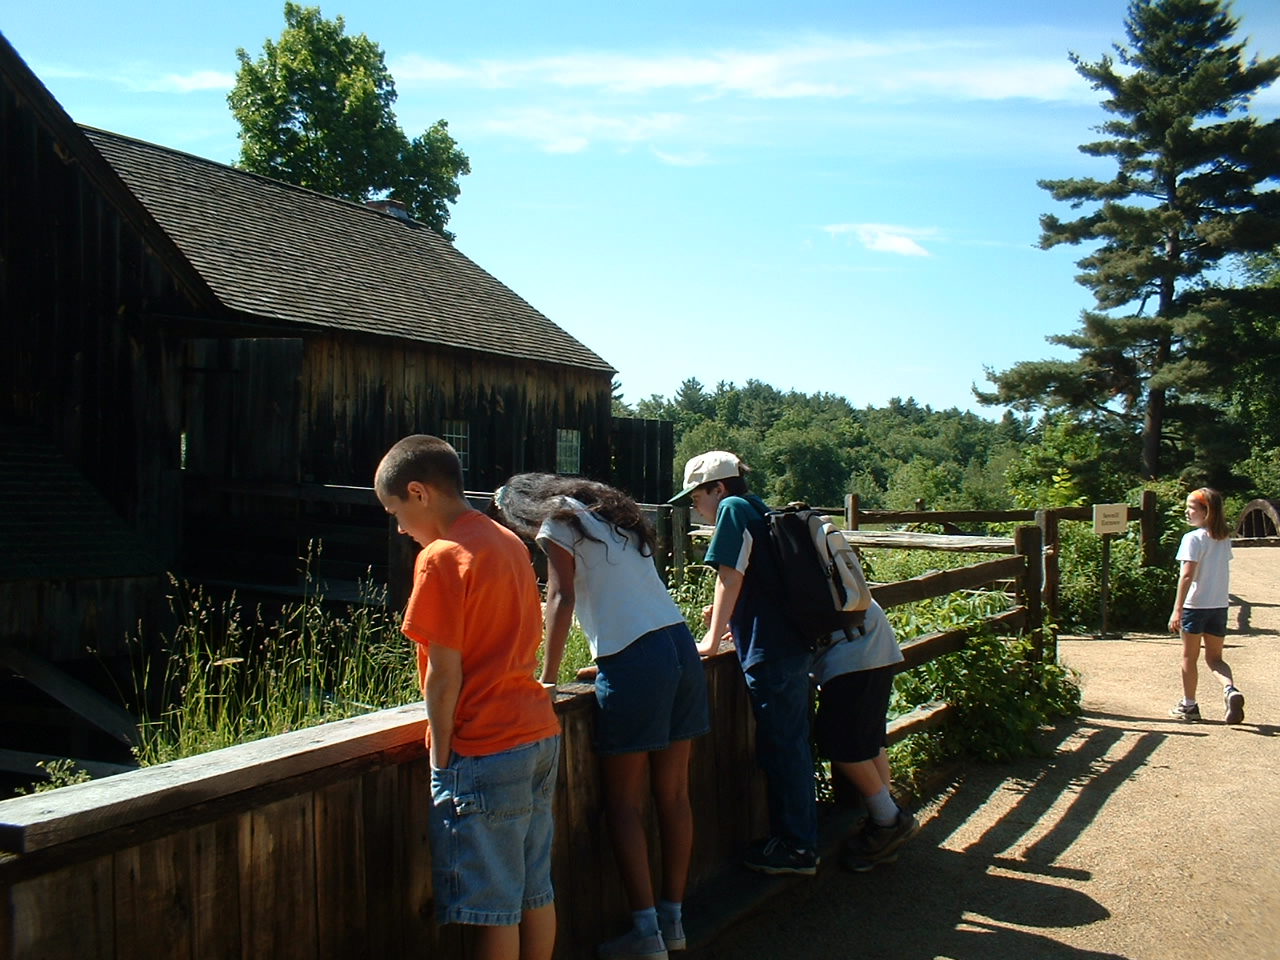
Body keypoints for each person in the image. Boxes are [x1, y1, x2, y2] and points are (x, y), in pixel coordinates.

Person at [495, 474, 709, 960]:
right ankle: (674, 924)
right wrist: (614, 652)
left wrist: (546, 678)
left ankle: (647, 937)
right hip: (676, 647)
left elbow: (561, 597)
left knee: (623, 806)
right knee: (674, 793)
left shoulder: (556, 524)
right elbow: (631, 596)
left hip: (636, 661)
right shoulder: (612, 514)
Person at [375, 436, 561, 960]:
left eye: (395, 512)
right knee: (534, 890)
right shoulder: (507, 541)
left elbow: (442, 671)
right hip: (536, 735)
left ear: (419, 493)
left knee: (491, 909)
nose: (399, 527)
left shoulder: (441, 558)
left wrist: (440, 752)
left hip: (484, 746)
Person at [672, 451, 818, 876]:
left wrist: (711, 639)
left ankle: (796, 847)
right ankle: (798, 838)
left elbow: (729, 576)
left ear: (718, 488)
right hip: (789, 643)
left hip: (769, 650)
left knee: (782, 747)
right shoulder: (758, 507)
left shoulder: (733, 510)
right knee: (792, 744)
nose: (694, 505)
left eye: (696, 495)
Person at [811, 600, 921, 871]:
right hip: (873, 639)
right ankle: (884, 826)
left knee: (838, 743)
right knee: (868, 741)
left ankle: (888, 821)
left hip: (852, 650)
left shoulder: (780, 559)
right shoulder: (809, 556)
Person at [1168, 487, 1244, 724]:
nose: (1187, 512)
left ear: (1206, 511)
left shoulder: (1192, 539)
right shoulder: (1223, 539)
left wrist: (1177, 609)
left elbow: (1187, 575)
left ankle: (1189, 706)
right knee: (1215, 658)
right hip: (1219, 606)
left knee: (1189, 657)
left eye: (1191, 508)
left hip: (1195, 605)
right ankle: (1230, 690)